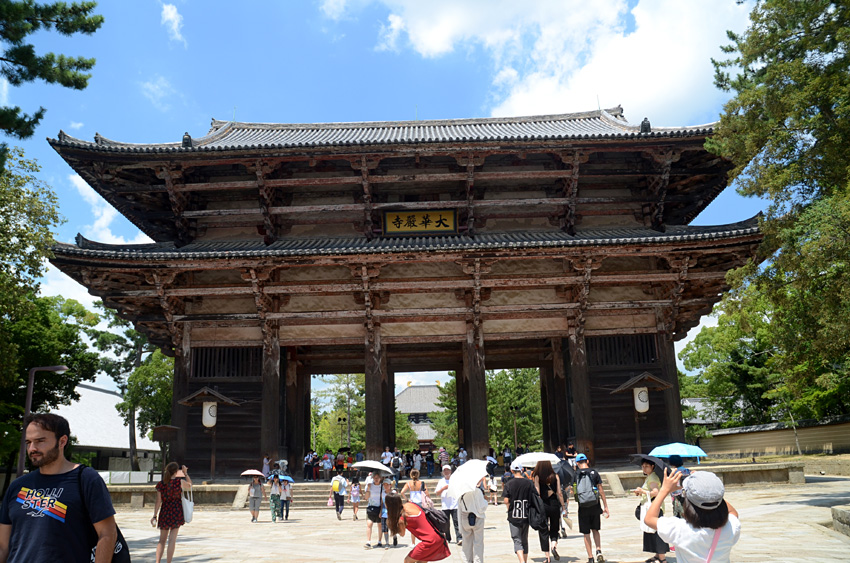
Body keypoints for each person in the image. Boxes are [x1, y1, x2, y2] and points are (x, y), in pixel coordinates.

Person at [0, 413, 118, 563]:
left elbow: (107, 534)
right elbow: (3, 547)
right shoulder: (17, 486)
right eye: (28, 442)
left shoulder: (86, 479)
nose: (32, 448)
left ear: (62, 441)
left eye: (40, 441)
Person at [644, 470, 741, 563]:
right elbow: (733, 512)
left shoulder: (679, 529)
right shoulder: (730, 528)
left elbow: (649, 519)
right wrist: (710, 489)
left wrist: (664, 490)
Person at [385, 492, 451, 562]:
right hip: (438, 536)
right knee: (421, 561)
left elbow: (402, 534)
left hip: (429, 541)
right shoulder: (410, 504)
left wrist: (392, 523)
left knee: (407, 561)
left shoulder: (402, 519)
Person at [152, 461, 192, 563]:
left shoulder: (161, 484)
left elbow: (158, 501)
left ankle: (157, 561)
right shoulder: (179, 482)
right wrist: (185, 473)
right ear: (175, 472)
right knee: (172, 540)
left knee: (161, 540)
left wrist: (154, 515)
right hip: (176, 511)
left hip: (165, 511)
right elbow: (190, 485)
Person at [573, 453, 609, 563]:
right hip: (595, 504)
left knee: (586, 533)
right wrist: (605, 506)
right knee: (595, 530)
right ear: (587, 461)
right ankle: (598, 550)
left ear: (577, 463)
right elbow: (601, 490)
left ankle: (590, 557)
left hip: (583, 506)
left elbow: (573, 491)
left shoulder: (575, 474)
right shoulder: (594, 473)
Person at [634, 459, 669, 562]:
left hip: (654, 509)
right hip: (653, 508)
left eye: (647, 466)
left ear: (652, 466)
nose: (644, 468)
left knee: (658, 532)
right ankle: (658, 554)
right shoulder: (650, 476)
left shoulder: (653, 477)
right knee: (653, 531)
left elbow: (655, 492)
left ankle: (662, 558)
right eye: (643, 466)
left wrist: (642, 491)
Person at [503, 459, 535, 563]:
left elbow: (506, 500)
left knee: (517, 540)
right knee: (524, 540)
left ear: (512, 471)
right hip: (526, 514)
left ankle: (522, 562)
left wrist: (509, 509)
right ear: (521, 470)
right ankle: (524, 561)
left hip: (514, 515)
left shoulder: (509, 484)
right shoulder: (529, 483)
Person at [532, 460, 564, 563]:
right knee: (555, 527)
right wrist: (563, 506)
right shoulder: (556, 476)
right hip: (554, 504)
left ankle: (547, 557)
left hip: (543, 506)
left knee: (543, 529)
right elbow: (559, 493)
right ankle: (554, 545)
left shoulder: (537, 476)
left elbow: (538, 494)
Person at [458, 479, 488, 563]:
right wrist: (485, 501)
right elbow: (482, 507)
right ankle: (478, 561)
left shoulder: (461, 493)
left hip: (464, 517)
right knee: (478, 542)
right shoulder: (477, 491)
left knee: (466, 542)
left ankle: (467, 560)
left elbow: (459, 509)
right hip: (477, 518)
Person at [434, 465, 462, 545]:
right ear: (443, 472)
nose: (446, 472)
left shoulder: (455, 480)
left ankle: (459, 538)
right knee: (445, 523)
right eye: (444, 470)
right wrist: (443, 488)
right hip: (445, 505)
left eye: (448, 470)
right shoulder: (441, 482)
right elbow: (437, 493)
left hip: (454, 505)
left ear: (450, 471)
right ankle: (448, 537)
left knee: (456, 521)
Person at [364, 472, 385, 549]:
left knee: (380, 525)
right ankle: (368, 542)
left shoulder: (382, 487)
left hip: (379, 507)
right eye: (375, 478)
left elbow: (382, 500)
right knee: (369, 524)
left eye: (377, 478)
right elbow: (366, 498)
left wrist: (381, 511)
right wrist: (368, 489)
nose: (376, 479)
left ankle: (379, 541)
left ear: (380, 478)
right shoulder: (369, 486)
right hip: (370, 507)